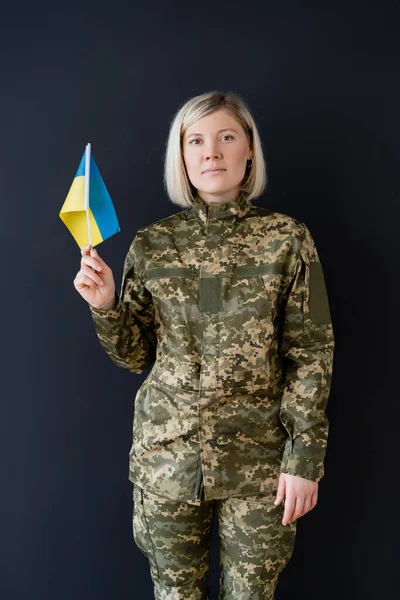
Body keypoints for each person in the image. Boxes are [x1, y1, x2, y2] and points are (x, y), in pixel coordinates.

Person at [74, 90, 335, 599]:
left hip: (261, 465)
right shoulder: (151, 244)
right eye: (196, 140)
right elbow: (135, 356)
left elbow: (312, 353)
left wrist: (304, 459)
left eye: (226, 137)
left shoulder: (288, 240)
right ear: (183, 156)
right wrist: (106, 305)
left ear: (249, 151)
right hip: (168, 460)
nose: (211, 151)